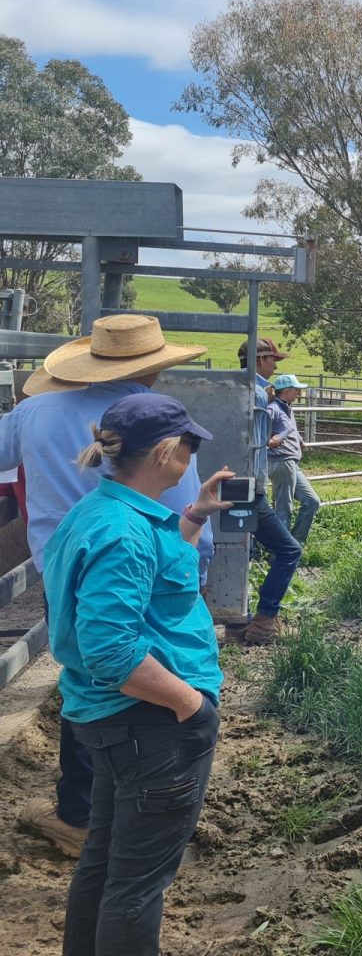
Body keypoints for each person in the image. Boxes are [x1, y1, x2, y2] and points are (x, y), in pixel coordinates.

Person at [0, 315, 213, 858]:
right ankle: (139, 808)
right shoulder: (162, 431)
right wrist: (195, 578)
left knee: (87, 679)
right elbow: (184, 507)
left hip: (64, 567)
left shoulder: (35, 410)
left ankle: (80, 813)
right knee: (146, 676)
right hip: (150, 568)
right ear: (153, 367)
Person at [43, 393, 231, 956]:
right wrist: (189, 705)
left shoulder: (106, 513)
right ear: (169, 452)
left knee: (104, 864)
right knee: (139, 885)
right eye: (190, 445)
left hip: (115, 724)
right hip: (150, 727)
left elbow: (160, 583)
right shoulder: (124, 533)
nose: (192, 456)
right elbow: (110, 649)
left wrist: (194, 516)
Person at [235, 336, 304, 645]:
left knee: (240, 550)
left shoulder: (234, 388)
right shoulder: (260, 394)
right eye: (273, 359)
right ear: (260, 360)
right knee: (289, 550)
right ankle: (264, 620)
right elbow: (259, 442)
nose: (275, 365)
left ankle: (238, 619)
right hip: (250, 485)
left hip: (229, 483)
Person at [267, 373, 320, 544]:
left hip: (291, 463)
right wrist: (270, 441)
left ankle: (294, 544)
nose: (298, 393)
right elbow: (259, 431)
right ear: (287, 390)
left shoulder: (286, 407)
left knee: (312, 501)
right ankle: (280, 551)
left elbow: (288, 430)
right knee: (284, 508)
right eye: (296, 390)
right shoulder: (274, 409)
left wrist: (299, 440)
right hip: (281, 462)